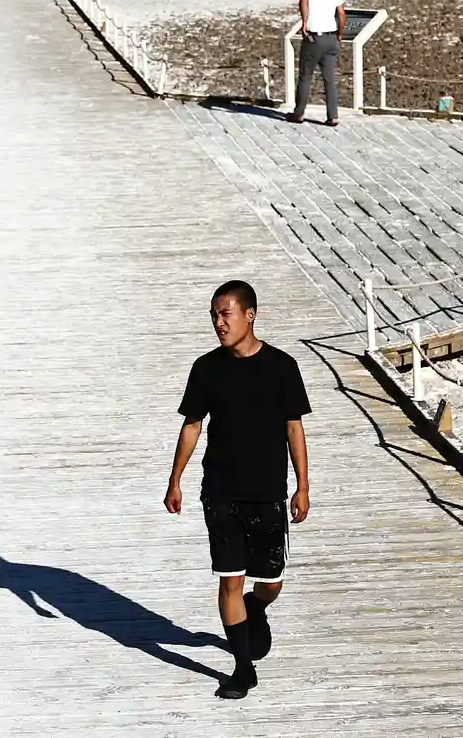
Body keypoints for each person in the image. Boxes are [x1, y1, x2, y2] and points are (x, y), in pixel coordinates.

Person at [165, 279, 311, 701]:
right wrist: (175, 479)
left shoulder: (282, 366)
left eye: (225, 314)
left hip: (268, 493)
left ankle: (258, 607)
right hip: (220, 492)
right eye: (214, 315)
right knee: (229, 580)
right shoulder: (206, 368)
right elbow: (192, 425)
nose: (218, 323)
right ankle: (242, 670)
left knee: (270, 582)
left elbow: (294, 427)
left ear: (250, 315)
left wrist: (302, 486)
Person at [288, 0, 347, 126]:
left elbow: (304, 2)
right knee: (329, 79)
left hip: (314, 37)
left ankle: (299, 113)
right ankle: (333, 116)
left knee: (305, 76)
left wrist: (304, 22)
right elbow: (341, 13)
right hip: (331, 36)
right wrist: (340, 32)